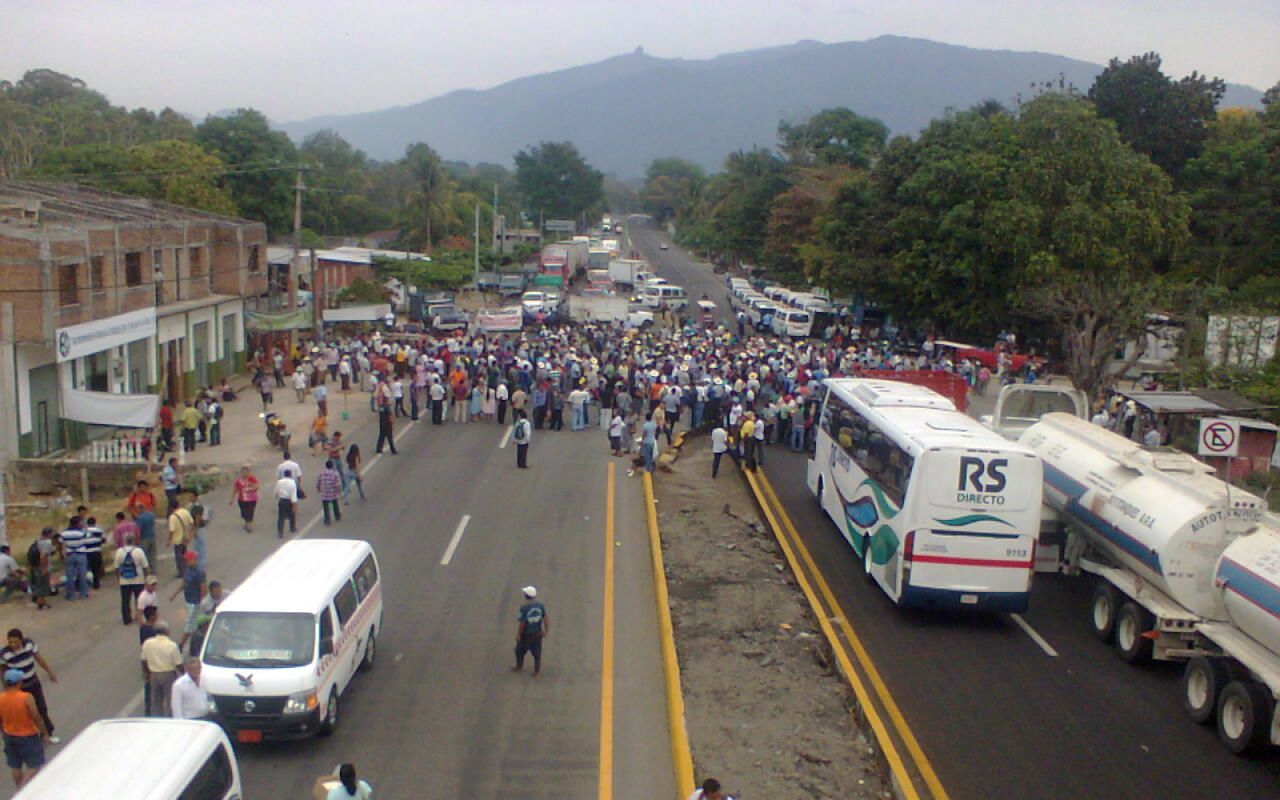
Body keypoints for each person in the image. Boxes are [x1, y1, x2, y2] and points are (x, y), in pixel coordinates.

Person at [1, 631, 57, 744]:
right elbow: (3, 671)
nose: (12, 645)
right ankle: (29, 736)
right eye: (10, 642)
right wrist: (6, 687)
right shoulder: (4, 653)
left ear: (21, 640)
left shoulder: (29, 645)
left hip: (34, 683)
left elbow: (38, 658)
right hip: (20, 688)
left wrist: (50, 672)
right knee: (25, 713)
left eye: (15, 642)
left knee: (41, 709)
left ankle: (47, 734)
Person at [1, 668, 50, 789]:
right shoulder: (26, 697)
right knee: (35, 764)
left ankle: (19, 787)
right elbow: (36, 716)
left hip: (9, 734)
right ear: (19, 682)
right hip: (27, 735)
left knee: (15, 765)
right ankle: (22, 790)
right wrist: (44, 733)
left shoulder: (1, 698)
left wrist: (3, 731)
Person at [141, 621, 183, 717]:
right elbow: (178, 663)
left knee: (156, 700)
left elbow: (143, 660)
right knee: (170, 699)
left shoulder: (147, 643)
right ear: (167, 631)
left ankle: (157, 718)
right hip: (168, 674)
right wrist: (185, 674)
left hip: (154, 674)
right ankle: (169, 718)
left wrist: (146, 673)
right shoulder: (172, 645)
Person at [169, 553, 206, 652]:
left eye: (189, 560)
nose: (187, 562)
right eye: (186, 560)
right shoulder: (187, 570)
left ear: (194, 560)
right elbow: (184, 583)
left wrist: (202, 601)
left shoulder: (199, 573)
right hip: (188, 600)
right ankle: (195, 641)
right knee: (192, 623)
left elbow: (203, 588)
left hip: (195, 602)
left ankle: (182, 644)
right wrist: (174, 594)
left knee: (190, 623)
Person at [113, 533, 150, 625]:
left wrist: (118, 578)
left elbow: (116, 567)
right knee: (139, 599)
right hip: (138, 579)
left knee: (125, 600)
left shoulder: (119, 552)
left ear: (124, 541)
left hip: (124, 580)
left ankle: (126, 619)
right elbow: (145, 566)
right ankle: (139, 616)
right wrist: (147, 577)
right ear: (133, 540)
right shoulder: (139, 551)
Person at [512, 586, 548, 677]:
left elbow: (522, 622)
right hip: (537, 632)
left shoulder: (524, 608)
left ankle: (519, 666)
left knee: (519, 650)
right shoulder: (540, 605)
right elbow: (545, 618)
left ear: (526, 595)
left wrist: (518, 634)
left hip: (526, 634)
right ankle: (536, 671)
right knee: (537, 653)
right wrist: (546, 630)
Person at [58, 517, 89, 601]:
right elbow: (87, 538)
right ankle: (83, 593)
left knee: (69, 575)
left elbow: (60, 543)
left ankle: (70, 594)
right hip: (80, 553)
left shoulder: (64, 533)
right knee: (82, 574)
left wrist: (61, 554)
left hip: (69, 554)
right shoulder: (81, 532)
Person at [138, 605, 159, 715]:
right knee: (153, 687)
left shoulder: (143, 628)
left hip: (147, 658)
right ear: (152, 617)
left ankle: (148, 710)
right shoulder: (153, 631)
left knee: (148, 685)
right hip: (153, 660)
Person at [25, 531, 53, 611]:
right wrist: (44, 568)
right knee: (42, 585)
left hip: (35, 566)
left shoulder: (37, 542)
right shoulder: (46, 543)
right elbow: (44, 556)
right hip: (41, 567)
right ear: (49, 534)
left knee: (37, 583)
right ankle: (41, 604)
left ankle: (40, 601)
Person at [168, 502, 195, 580]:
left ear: (172, 508)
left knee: (179, 556)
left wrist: (169, 540)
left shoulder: (172, 517)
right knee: (185, 555)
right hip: (185, 538)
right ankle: (187, 569)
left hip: (177, 539)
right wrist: (190, 534)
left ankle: (181, 572)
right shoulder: (185, 512)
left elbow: (172, 530)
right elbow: (192, 523)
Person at [231, 466, 260, 532]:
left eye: (246, 472)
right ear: (241, 473)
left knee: (250, 511)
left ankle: (249, 525)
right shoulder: (238, 481)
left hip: (252, 499)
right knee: (243, 512)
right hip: (242, 499)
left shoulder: (252, 479)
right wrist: (232, 499)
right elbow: (235, 490)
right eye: (243, 472)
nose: (245, 473)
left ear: (249, 472)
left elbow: (257, 487)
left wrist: (250, 488)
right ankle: (246, 521)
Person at [317, 460, 343, 525]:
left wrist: (319, 489)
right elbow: (338, 484)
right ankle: (337, 516)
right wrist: (339, 492)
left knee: (326, 508)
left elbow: (318, 482)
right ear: (332, 466)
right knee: (335, 505)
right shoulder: (335, 474)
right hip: (333, 493)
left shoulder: (321, 473)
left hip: (325, 493)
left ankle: (327, 520)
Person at [276, 468, 299, 538]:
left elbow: (276, 492)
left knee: (281, 517)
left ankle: (280, 532)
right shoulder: (293, 483)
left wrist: (278, 496)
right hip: (289, 501)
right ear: (290, 475)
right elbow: (293, 495)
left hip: (282, 500)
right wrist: (295, 505)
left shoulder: (279, 482)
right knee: (292, 514)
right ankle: (292, 527)